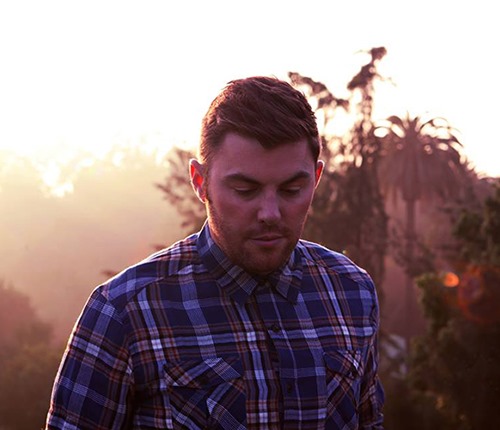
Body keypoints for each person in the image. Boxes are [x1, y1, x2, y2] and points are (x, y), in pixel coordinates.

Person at [46, 76, 384, 429]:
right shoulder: (125, 312)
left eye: (291, 189)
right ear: (200, 181)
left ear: (316, 179)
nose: (270, 213)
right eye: (245, 190)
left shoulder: (353, 293)